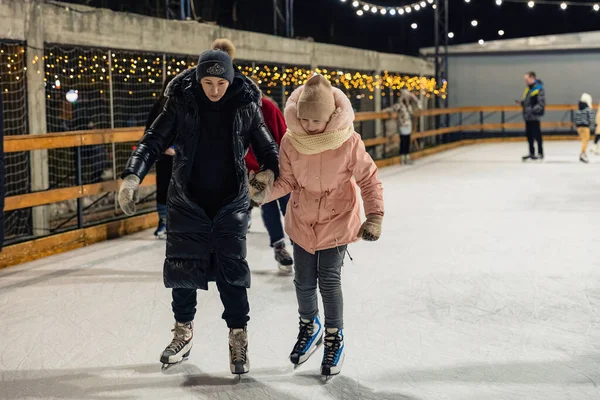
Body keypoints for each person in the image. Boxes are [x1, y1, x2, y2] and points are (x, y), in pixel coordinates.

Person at [118, 39, 279, 374]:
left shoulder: (247, 105)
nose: (215, 90)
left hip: (230, 203)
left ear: (231, 80)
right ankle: (183, 332)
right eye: (208, 83)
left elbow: (269, 149)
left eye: (221, 83)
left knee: (232, 276)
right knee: (183, 271)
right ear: (197, 78)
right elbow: (153, 139)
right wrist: (132, 176)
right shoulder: (181, 101)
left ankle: (238, 338)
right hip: (187, 201)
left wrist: (265, 174)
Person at [249, 74, 384, 377]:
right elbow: (288, 180)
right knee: (303, 280)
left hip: (338, 217)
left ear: (330, 117)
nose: (309, 126)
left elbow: (368, 178)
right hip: (302, 218)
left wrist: (374, 216)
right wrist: (263, 191)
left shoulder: (348, 140)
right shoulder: (291, 140)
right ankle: (310, 325)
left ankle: (335, 335)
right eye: (305, 119)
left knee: (329, 279)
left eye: (316, 121)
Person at [245, 96, 293, 272]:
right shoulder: (234, 111)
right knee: (268, 207)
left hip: (280, 167)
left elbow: (284, 135)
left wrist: (287, 165)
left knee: (290, 207)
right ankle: (279, 246)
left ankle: (300, 245)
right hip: (255, 173)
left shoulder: (268, 107)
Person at [145, 75, 176, 239]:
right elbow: (150, 132)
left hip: (183, 158)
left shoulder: (188, 106)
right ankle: (164, 222)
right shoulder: (160, 107)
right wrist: (164, 148)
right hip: (165, 158)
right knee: (164, 189)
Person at [518, 71, 546, 162]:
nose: (525, 81)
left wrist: (532, 110)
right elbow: (528, 101)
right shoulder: (528, 89)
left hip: (535, 116)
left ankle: (540, 153)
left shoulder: (539, 89)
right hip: (527, 116)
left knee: (537, 135)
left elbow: (541, 103)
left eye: (527, 79)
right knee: (529, 135)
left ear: (532, 78)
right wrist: (522, 103)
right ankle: (531, 153)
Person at [391, 89, 421, 165]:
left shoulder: (409, 106)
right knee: (403, 141)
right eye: (407, 96)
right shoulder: (400, 105)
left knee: (407, 141)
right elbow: (393, 109)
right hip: (402, 125)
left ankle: (407, 157)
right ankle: (402, 158)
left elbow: (419, 106)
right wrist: (400, 100)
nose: (408, 98)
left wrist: (414, 98)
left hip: (408, 125)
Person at [573, 93, 594, 164]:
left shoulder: (578, 109)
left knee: (583, 140)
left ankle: (583, 153)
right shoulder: (588, 109)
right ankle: (582, 153)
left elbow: (575, 119)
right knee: (585, 141)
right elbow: (591, 118)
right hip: (585, 127)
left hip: (579, 127)